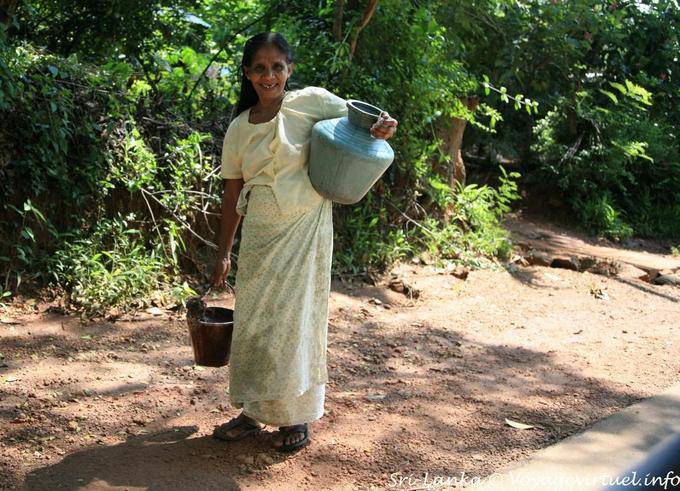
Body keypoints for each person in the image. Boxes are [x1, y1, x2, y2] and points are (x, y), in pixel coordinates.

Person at [210, 32, 397, 452]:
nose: (269, 75)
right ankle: (252, 412)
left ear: (289, 70)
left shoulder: (311, 101)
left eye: (277, 66)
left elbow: (363, 123)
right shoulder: (239, 128)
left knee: (297, 320)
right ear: (247, 73)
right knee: (257, 322)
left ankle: (296, 418)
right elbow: (230, 193)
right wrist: (223, 252)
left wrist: (383, 127)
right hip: (260, 232)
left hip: (306, 228)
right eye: (259, 67)